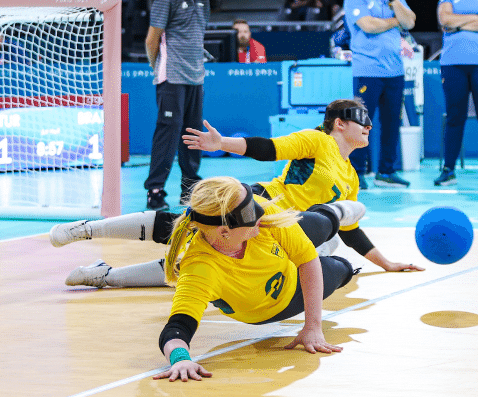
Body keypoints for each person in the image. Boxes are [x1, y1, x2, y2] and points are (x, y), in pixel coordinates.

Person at [50, 99, 424, 287]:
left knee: (200, 265)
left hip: (280, 231)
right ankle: (87, 229)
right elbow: (267, 148)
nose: (370, 127)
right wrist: (221, 143)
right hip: (260, 204)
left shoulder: (351, 177)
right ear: (340, 124)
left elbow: (346, 228)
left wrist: (386, 263)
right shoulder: (318, 141)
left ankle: (104, 276)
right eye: (364, 122)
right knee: (182, 224)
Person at [154, 176, 357, 382]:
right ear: (224, 231)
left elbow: (308, 260)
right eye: (250, 211)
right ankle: (325, 248)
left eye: (253, 200)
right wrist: (180, 359)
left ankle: (338, 212)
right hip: (279, 302)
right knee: (343, 269)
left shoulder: (256, 214)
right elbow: (177, 328)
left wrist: (313, 327)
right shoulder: (201, 269)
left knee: (321, 224)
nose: (259, 210)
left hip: (276, 252)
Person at [144, 0, 210, 211]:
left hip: (196, 77)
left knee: (193, 134)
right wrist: (156, 68)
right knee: (167, 134)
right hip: (171, 77)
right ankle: (155, 190)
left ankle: (190, 187)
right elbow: (152, 39)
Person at [343, 0, 416, 189]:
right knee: (360, 125)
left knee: (391, 123)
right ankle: (356, 173)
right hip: (367, 71)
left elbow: (411, 21)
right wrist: (396, 21)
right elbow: (368, 25)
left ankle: (386, 171)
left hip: (394, 70)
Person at [434, 0, 478, 187]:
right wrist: (472, 21)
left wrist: (458, 24)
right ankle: (448, 169)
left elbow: (453, 21)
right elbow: (445, 20)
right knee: (455, 117)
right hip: (452, 64)